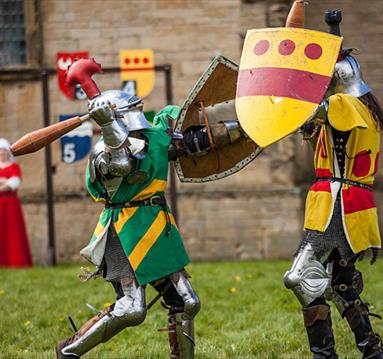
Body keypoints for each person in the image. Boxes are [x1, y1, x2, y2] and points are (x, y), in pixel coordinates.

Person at [55, 85, 245, 359]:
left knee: (186, 302)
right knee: (132, 308)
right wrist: (108, 127)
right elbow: (121, 165)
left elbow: (195, 142)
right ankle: (69, 351)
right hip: (123, 231)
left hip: (156, 228)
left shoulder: (154, 138)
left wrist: (244, 128)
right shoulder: (101, 153)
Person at [284, 52, 383, 358]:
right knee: (339, 284)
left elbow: (303, 111)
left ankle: (324, 356)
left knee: (298, 278)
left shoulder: (343, 105)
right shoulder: (365, 107)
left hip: (339, 205)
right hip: (352, 205)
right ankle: (372, 352)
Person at [0, 138, 32, 267]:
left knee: (12, 232)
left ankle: (15, 262)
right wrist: (4, 181)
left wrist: (4, 183)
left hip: (10, 205)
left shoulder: (14, 167)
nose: (2, 153)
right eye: (0, 151)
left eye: (4, 151)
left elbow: (13, 184)